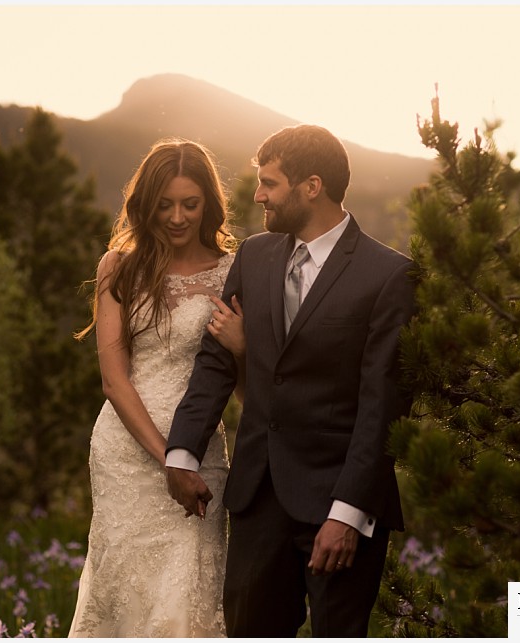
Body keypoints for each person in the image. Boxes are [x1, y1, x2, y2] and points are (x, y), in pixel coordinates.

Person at [166, 124, 417, 637]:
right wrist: (182, 453)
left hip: (338, 503)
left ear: (312, 186)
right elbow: (216, 362)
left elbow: (382, 407)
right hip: (259, 498)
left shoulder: (389, 276)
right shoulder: (254, 257)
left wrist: (347, 515)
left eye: (269, 184)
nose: (257, 195)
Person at [69, 138, 244, 637]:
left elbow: (245, 381)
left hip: (202, 450)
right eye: (164, 204)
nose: (177, 216)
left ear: (209, 202)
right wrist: (169, 458)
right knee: (127, 590)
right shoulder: (118, 267)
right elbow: (113, 378)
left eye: (190, 204)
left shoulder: (233, 271)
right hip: (125, 455)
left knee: (190, 589)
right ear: (146, 204)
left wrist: (243, 347)